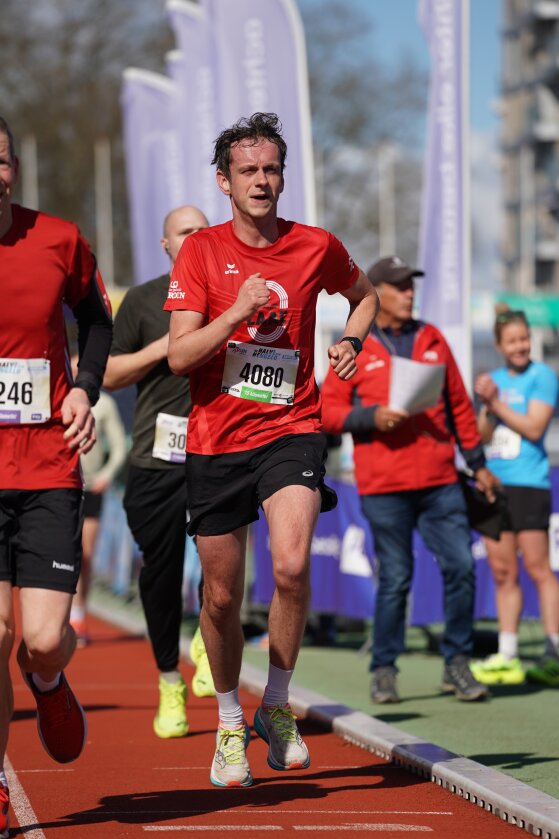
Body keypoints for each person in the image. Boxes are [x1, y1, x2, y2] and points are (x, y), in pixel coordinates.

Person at [165, 112, 378, 788]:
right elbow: (178, 356)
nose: (261, 180)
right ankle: (230, 722)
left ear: (283, 177)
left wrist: (351, 340)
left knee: (289, 565)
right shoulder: (200, 253)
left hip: (292, 426)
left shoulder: (315, 246)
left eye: (271, 169)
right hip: (216, 439)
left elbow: (366, 296)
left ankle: (276, 705)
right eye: (247, 171)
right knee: (221, 597)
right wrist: (234, 312)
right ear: (223, 182)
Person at [0, 116, 112, 839]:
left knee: (41, 637)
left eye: (0, 160)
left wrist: (84, 389)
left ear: (13, 168)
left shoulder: (58, 239)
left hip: (46, 464)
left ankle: (46, 677)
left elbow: (96, 321)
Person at [321, 255, 500, 705]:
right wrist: (370, 417)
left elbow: (460, 406)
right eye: (399, 286)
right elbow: (327, 413)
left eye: (411, 285)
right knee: (396, 578)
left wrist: (478, 464)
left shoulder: (432, 337)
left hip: (441, 480)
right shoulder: (354, 346)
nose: (409, 293)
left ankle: (457, 663)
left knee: (461, 566)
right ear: (377, 293)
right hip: (385, 485)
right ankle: (384, 668)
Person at [103, 205, 215, 742]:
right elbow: (108, 373)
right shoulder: (144, 300)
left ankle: (211, 638)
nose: (196, 237)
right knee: (161, 572)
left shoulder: (230, 292)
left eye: (203, 230)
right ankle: (170, 678)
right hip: (157, 454)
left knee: (225, 554)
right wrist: (162, 348)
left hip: (218, 446)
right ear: (166, 244)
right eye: (184, 231)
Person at [472, 309, 559, 687]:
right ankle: (507, 654)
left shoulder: (543, 376)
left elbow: (535, 427)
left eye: (524, 338)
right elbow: (482, 436)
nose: (520, 346)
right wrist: (486, 404)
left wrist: (496, 404)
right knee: (502, 572)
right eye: (512, 341)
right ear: (499, 346)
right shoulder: (493, 380)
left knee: (539, 568)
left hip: (530, 484)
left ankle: (554, 652)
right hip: (495, 485)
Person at [70, 359, 127, 646]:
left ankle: (78, 615)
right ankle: (58, 613)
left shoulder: (104, 405)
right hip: (60, 486)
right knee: (63, 550)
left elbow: (119, 447)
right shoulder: (56, 400)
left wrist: (106, 475)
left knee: (85, 554)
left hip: (91, 487)